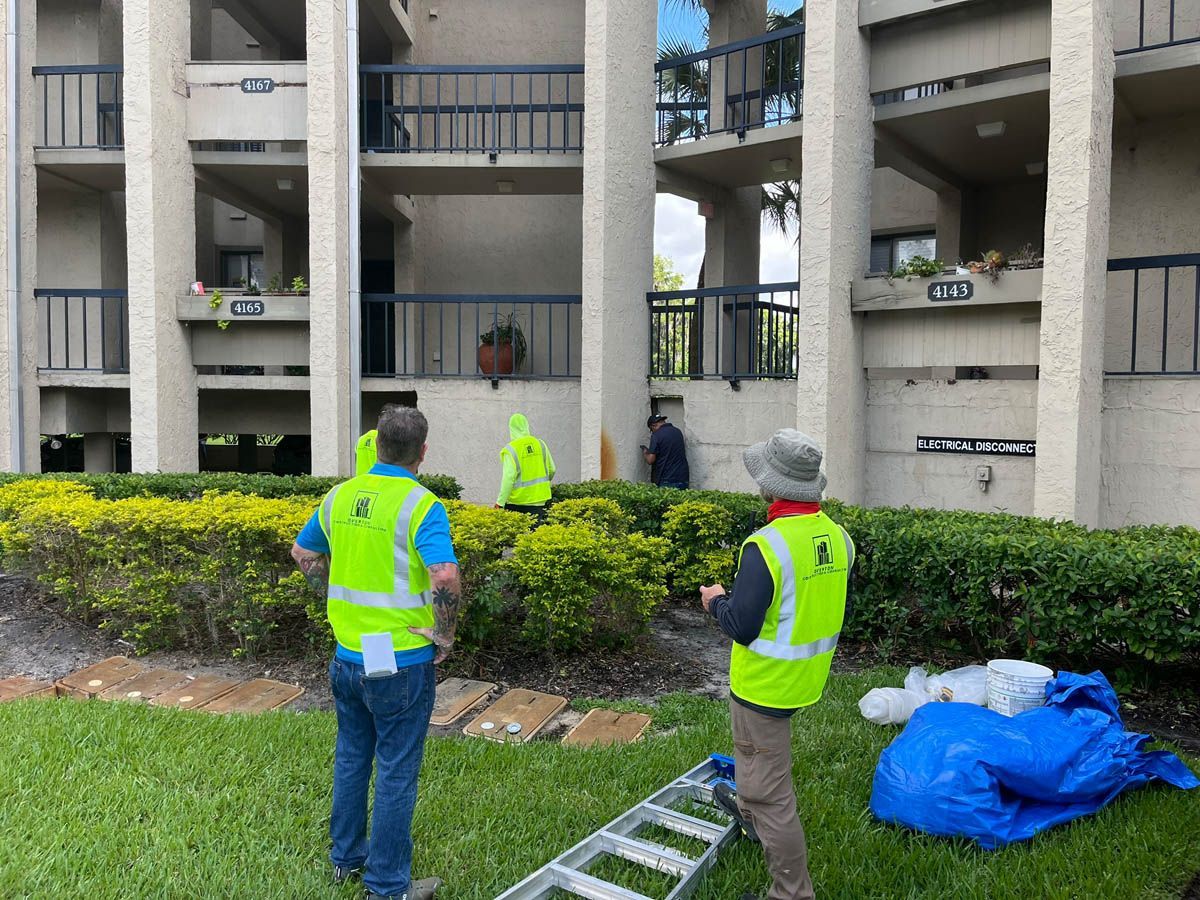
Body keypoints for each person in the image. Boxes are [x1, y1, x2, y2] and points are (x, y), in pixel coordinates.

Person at [291, 406, 460, 900]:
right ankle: (387, 887)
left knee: (352, 756)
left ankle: (346, 859)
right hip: (401, 662)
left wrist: (333, 587)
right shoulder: (421, 504)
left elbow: (303, 553)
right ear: (422, 452)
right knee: (396, 769)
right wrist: (443, 636)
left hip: (346, 655)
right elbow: (445, 574)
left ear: (377, 446)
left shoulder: (339, 496)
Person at [699, 429, 854, 900]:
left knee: (771, 793)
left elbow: (742, 626)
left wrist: (715, 601)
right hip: (806, 679)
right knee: (757, 771)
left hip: (764, 686)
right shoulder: (838, 537)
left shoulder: (765, 545)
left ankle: (791, 893)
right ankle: (750, 810)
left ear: (771, 486)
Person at [495, 412, 556, 517]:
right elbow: (552, 470)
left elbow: (508, 479)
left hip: (517, 503)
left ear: (511, 429)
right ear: (527, 426)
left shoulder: (511, 449)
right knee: (538, 532)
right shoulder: (540, 444)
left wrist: (500, 502)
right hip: (540, 500)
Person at [641, 414, 689, 489]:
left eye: (651, 430)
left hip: (667, 479)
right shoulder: (678, 431)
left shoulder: (656, 435)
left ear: (653, 425)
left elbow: (650, 460)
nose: (652, 432)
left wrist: (645, 452)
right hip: (683, 477)